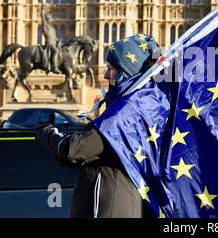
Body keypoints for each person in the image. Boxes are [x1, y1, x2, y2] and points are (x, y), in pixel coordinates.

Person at [35, 34, 160, 218]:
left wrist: (46, 132)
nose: (105, 75)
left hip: (109, 209)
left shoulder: (124, 114)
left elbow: (74, 150)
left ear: (127, 70)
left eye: (111, 68)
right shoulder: (144, 107)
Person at [41, 6, 62, 74]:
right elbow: (42, 18)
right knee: (55, 51)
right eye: (50, 19)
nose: (51, 20)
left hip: (53, 43)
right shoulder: (45, 26)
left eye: (51, 18)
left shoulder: (52, 28)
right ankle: (55, 67)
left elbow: (54, 37)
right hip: (49, 43)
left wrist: (58, 41)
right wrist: (42, 10)